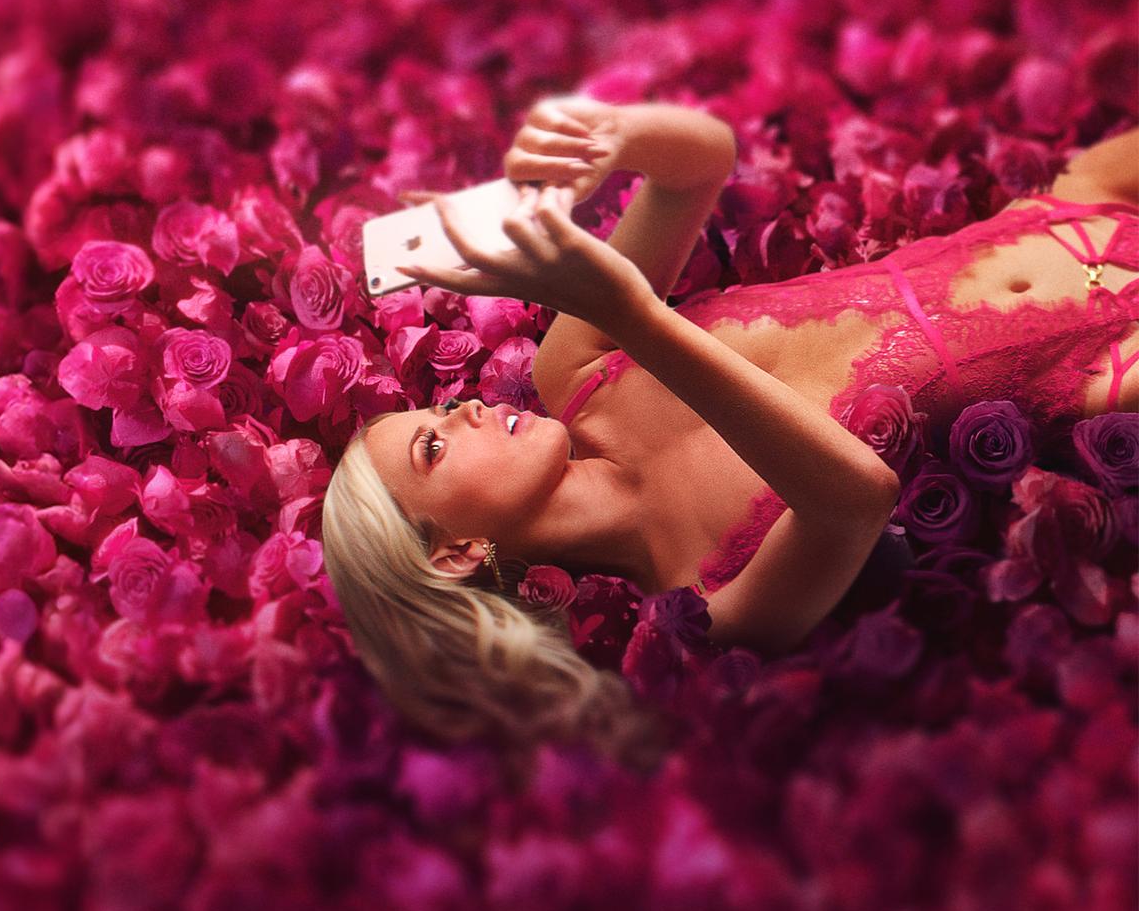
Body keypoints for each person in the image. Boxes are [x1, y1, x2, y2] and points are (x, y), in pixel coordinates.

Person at [318, 97, 1139, 754]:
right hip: (1113, 365)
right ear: (457, 554)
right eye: (434, 443)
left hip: (1079, 203)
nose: (461, 407)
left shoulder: (570, 372)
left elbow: (702, 163)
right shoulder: (709, 600)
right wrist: (632, 315)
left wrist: (617, 135)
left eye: (436, 409)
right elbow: (855, 498)